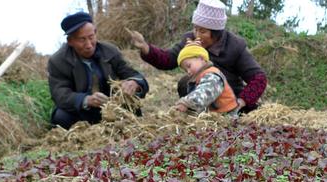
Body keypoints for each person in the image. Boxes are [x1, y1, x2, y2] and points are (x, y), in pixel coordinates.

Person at [128, 0, 266, 113]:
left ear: (216, 33)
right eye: (195, 28)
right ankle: (194, 114)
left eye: (203, 31)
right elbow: (168, 59)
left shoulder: (234, 46)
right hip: (201, 98)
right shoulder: (190, 40)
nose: (197, 35)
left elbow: (259, 78)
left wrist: (242, 101)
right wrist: (146, 48)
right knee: (185, 83)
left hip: (230, 100)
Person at [48, 12, 149, 129]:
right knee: (61, 117)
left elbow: (134, 75)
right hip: (82, 112)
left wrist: (134, 83)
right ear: (70, 41)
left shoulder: (110, 51)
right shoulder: (58, 61)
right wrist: (86, 100)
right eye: (82, 40)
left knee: (133, 108)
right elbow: (59, 93)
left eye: (91, 37)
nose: (89, 45)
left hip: (113, 108)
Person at [173, 44, 239, 115]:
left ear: (201, 58)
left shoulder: (212, 75)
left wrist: (186, 103)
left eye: (189, 66)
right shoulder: (199, 78)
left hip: (227, 116)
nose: (188, 72)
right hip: (213, 117)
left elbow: (204, 93)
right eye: (186, 70)